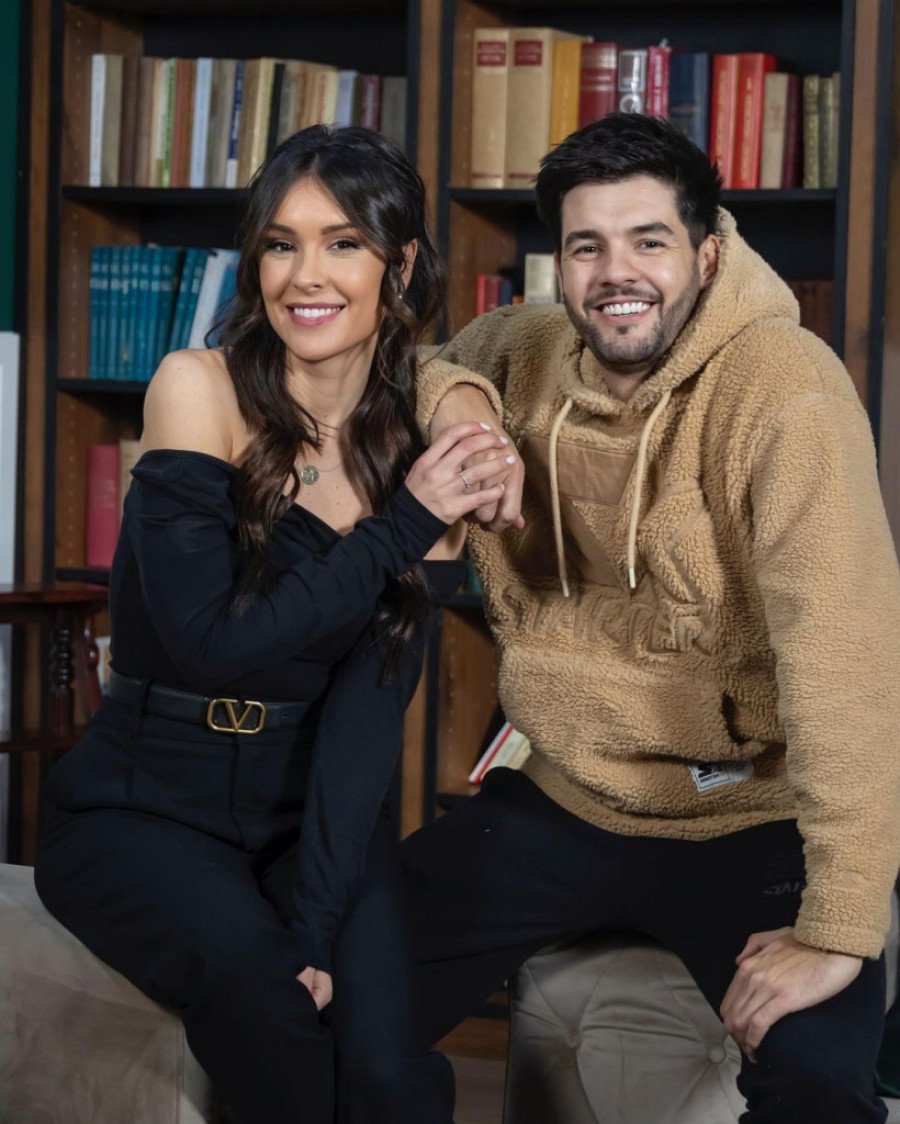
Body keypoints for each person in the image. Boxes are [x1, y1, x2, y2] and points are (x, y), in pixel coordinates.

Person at [405, 112, 900, 1123]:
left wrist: (840, 927)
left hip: (751, 813)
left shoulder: (787, 388)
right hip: (568, 795)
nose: (614, 273)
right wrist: (458, 403)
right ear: (559, 264)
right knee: (330, 989)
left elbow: (846, 662)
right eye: (586, 246)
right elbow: (419, 364)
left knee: (819, 1081)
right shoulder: (527, 349)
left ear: (707, 255)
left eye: (648, 241)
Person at [34, 125, 511, 1124]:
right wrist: (400, 526)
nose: (306, 275)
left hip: (309, 817)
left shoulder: (414, 448)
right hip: (143, 809)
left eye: (343, 243)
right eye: (281, 244)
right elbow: (214, 644)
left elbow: (365, 715)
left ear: (400, 266)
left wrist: (318, 917)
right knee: (274, 1015)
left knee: (385, 1063)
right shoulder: (195, 388)